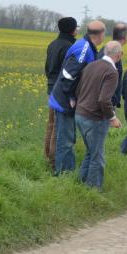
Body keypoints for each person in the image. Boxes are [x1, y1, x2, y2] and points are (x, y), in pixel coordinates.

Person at [49, 20, 107, 175]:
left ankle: (65, 172)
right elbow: (69, 74)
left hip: (65, 97)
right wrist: (71, 97)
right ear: (101, 34)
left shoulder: (86, 45)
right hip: (64, 99)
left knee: (68, 138)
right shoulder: (84, 48)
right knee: (66, 140)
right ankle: (63, 175)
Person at [73, 41, 122, 190]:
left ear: (105, 52)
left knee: (91, 152)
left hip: (80, 114)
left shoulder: (91, 65)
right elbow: (104, 99)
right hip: (94, 118)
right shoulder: (112, 72)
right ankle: (94, 191)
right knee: (97, 157)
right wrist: (112, 118)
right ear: (119, 55)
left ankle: (80, 185)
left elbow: (78, 89)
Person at [43, 16, 77, 171]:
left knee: (51, 123)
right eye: (76, 27)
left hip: (51, 87)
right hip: (61, 90)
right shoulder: (69, 47)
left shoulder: (53, 44)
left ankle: (47, 155)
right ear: (72, 30)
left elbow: (47, 67)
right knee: (58, 125)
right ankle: (55, 162)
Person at [108, 23, 127, 110]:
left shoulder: (109, 48)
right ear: (125, 37)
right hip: (107, 102)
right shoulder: (114, 52)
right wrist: (112, 100)